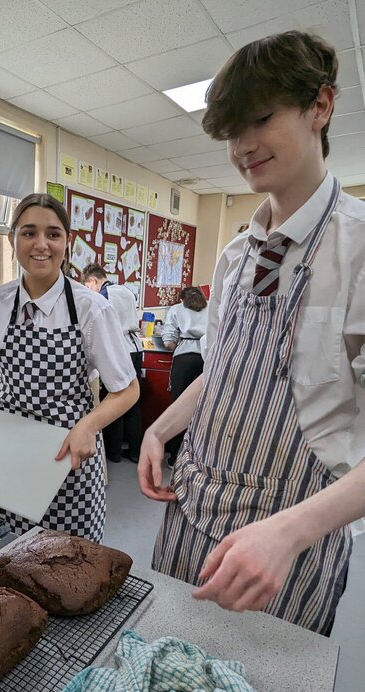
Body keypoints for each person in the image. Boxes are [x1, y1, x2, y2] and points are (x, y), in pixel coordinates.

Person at [138, 30, 365, 635]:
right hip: (192, 511)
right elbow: (227, 370)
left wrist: (289, 532)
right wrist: (161, 429)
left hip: (287, 540)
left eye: (260, 119)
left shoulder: (359, 248)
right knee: (163, 672)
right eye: (231, 133)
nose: (243, 147)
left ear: (320, 106)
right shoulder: (239, 256)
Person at [0, 194, 139, 542]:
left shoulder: (91, 309)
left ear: (67, 242)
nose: (41, 245)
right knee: (2, 545)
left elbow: (126, 389)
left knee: (65, 553)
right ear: (12, 239)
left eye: (53, 234)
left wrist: (89, 426)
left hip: (66, 447)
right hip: (6, 444)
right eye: (29, 233)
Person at [81, 263, 143, 463]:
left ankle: (113, 452)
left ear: (92, 280)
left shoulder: (103, 296)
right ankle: (135, 451)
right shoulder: (126, 291)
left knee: (114, 396)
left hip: (120, 349)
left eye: (87, 286)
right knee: (133, 401)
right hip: (136, 349)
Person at [160, 286, 208, 466]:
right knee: (203, 409)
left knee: (178, 409)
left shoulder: (176, 309)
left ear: (182, 299)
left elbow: (168, 341)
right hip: (207, 359)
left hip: (184, 360)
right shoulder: (211, 307)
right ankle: (198, 458)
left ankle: (175, 457)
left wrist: (179, 345)